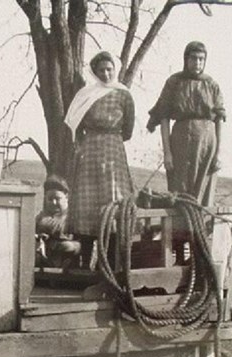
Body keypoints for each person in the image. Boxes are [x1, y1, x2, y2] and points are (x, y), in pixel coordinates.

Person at [146, 41, 225, 264]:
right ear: (185, 59)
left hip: (206, 142)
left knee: (202, 196)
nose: (197, 63)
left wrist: (218, 153)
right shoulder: (174, 82)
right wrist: (167, 153)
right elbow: (163, 117)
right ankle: (180, 253)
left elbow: (219, 120)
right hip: (180, 139)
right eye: (193, 58)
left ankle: (198, 253)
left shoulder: (212, 85)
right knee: (179, 195)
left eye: (201, 59)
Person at [65, 51, 135, 269]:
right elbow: (74, 125)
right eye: (101, 70)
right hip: (89, 153)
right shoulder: (86, 94)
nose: (106, 74)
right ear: (94, 72)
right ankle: (84, 263)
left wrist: (109, 138)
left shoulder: (123, 95)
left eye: (109, 69)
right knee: (87, 205)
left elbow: (128, 130)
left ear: (115, 70)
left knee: (112, 204)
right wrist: (85, 144)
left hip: (113, 152)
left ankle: (109, 265)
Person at [35, 175, 81, 271]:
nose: (54, 202)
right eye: (50, 199)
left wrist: (47, 227)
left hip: (66, 258)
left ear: (66, 197)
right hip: (46, 259)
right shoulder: (42, 215)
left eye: (57, 198)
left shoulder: (73, 216)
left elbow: (67, 230)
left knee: (67, 246)